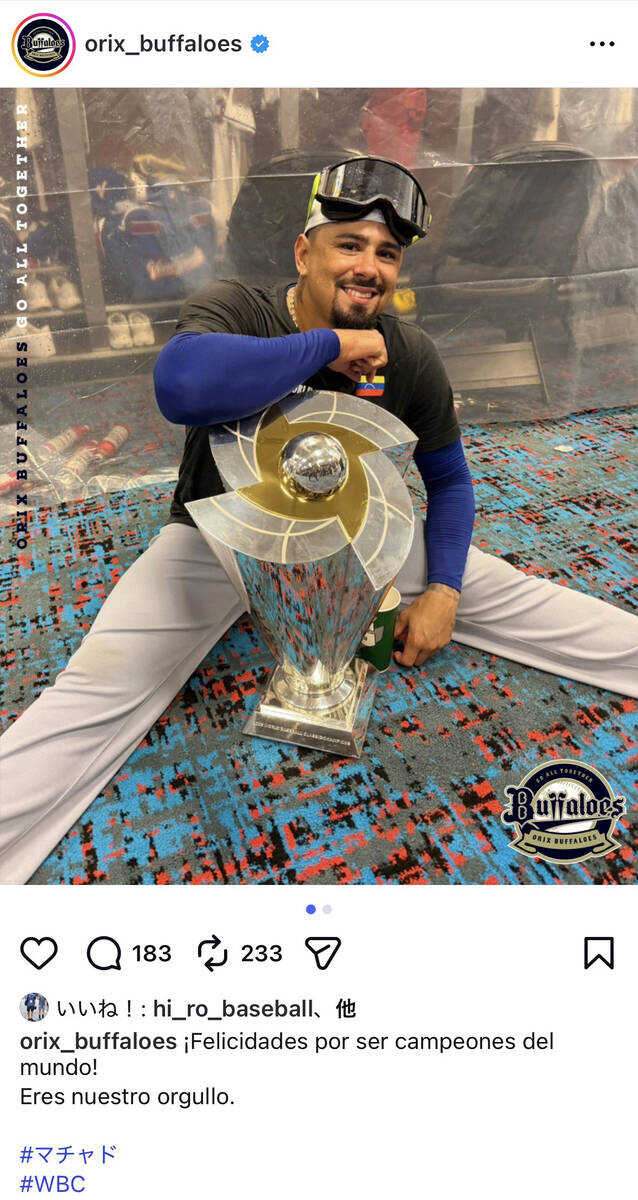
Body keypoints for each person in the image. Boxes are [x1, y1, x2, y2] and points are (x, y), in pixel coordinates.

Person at [0, 156, 636, 885]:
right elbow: (182, 387)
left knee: (522, 597)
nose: (369, 267)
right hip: (216, 537)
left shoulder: (409, 352)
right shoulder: (240, 309)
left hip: (355, 537)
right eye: (349, 245)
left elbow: (451, 482)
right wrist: (332, 345)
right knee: (97, 688)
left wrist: (445, 591)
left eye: (387, 254)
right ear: (304, 253)